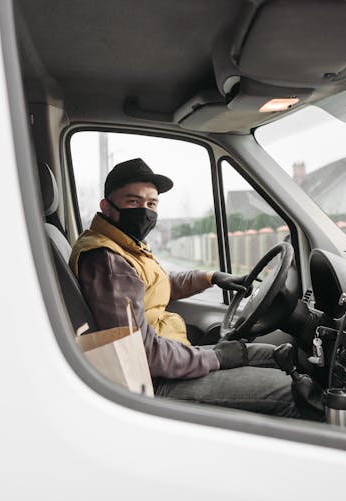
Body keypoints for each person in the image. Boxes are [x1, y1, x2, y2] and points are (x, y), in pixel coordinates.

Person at [69, 158, 300, 418]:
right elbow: (142, 353)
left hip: (167, 358)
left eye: (151, 203)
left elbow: (159, 284)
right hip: (153, 381)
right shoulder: (107, 260)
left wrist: (211, 277)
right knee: (291, 392)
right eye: (133, 202)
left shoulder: (123, 246)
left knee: (272, 355)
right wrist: (217, 359)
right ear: (107, 207)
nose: (144, 211)